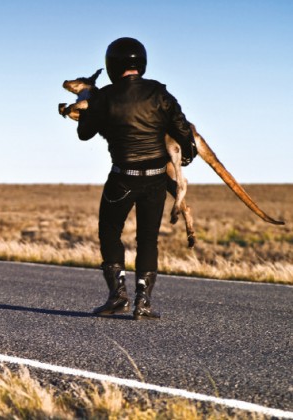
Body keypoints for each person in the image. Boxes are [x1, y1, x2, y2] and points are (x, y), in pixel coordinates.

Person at [77, 37, 197, 320]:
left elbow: (84, 134)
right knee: (148, 239)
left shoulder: (104, 96)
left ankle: (118, 297)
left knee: (109, 232)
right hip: (155, 180)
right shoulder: (159, 93)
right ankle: (143, 302)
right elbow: (184, 133)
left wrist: (86, 101)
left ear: (112, 65)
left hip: (122, 178)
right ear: (141, 63)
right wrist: (187, 156)